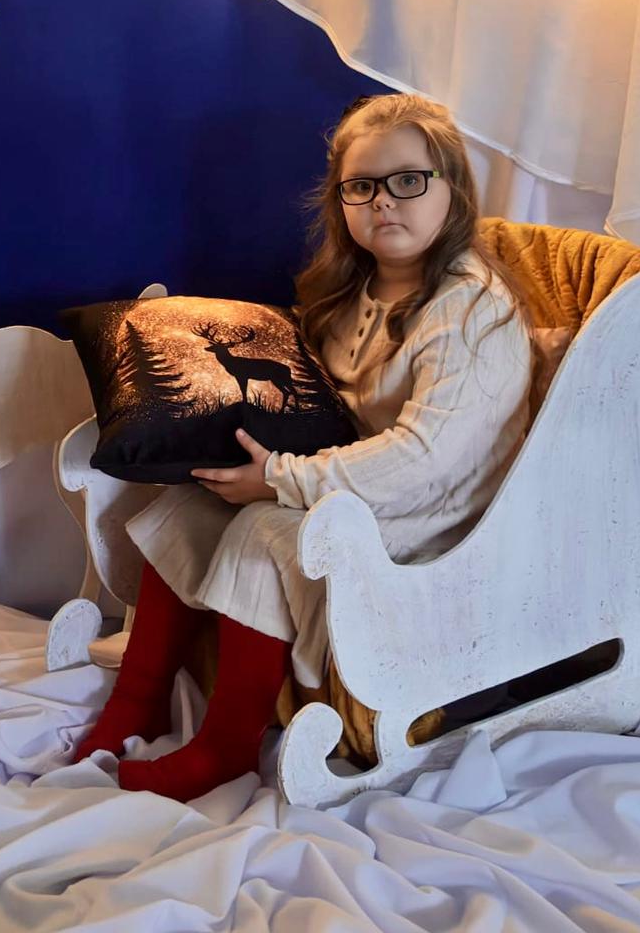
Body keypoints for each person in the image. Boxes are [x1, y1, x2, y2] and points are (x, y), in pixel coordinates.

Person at [70, 91, 536, 802]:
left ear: (453, 189)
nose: (384, 202)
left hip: (431, 514)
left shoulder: (471, 310)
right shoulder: (353, 292)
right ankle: (139, 700)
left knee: (265, 528)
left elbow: (423, 459)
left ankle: (226, 747)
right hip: (353, 483)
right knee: (193, 503)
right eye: (361, 187)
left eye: (409, 180)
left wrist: (282, 479)